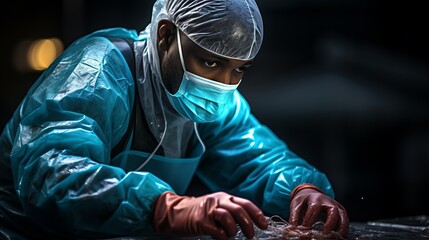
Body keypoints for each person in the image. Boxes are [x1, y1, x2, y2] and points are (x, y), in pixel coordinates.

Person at [0, 0, 349, 239]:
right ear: (166, 34)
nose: (223, 84)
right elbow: (50, 174)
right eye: (210, 63)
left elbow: (257, 158)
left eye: (238, 69)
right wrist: (166, 208)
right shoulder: (97, 74)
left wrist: (303, 190)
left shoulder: (214, 104)